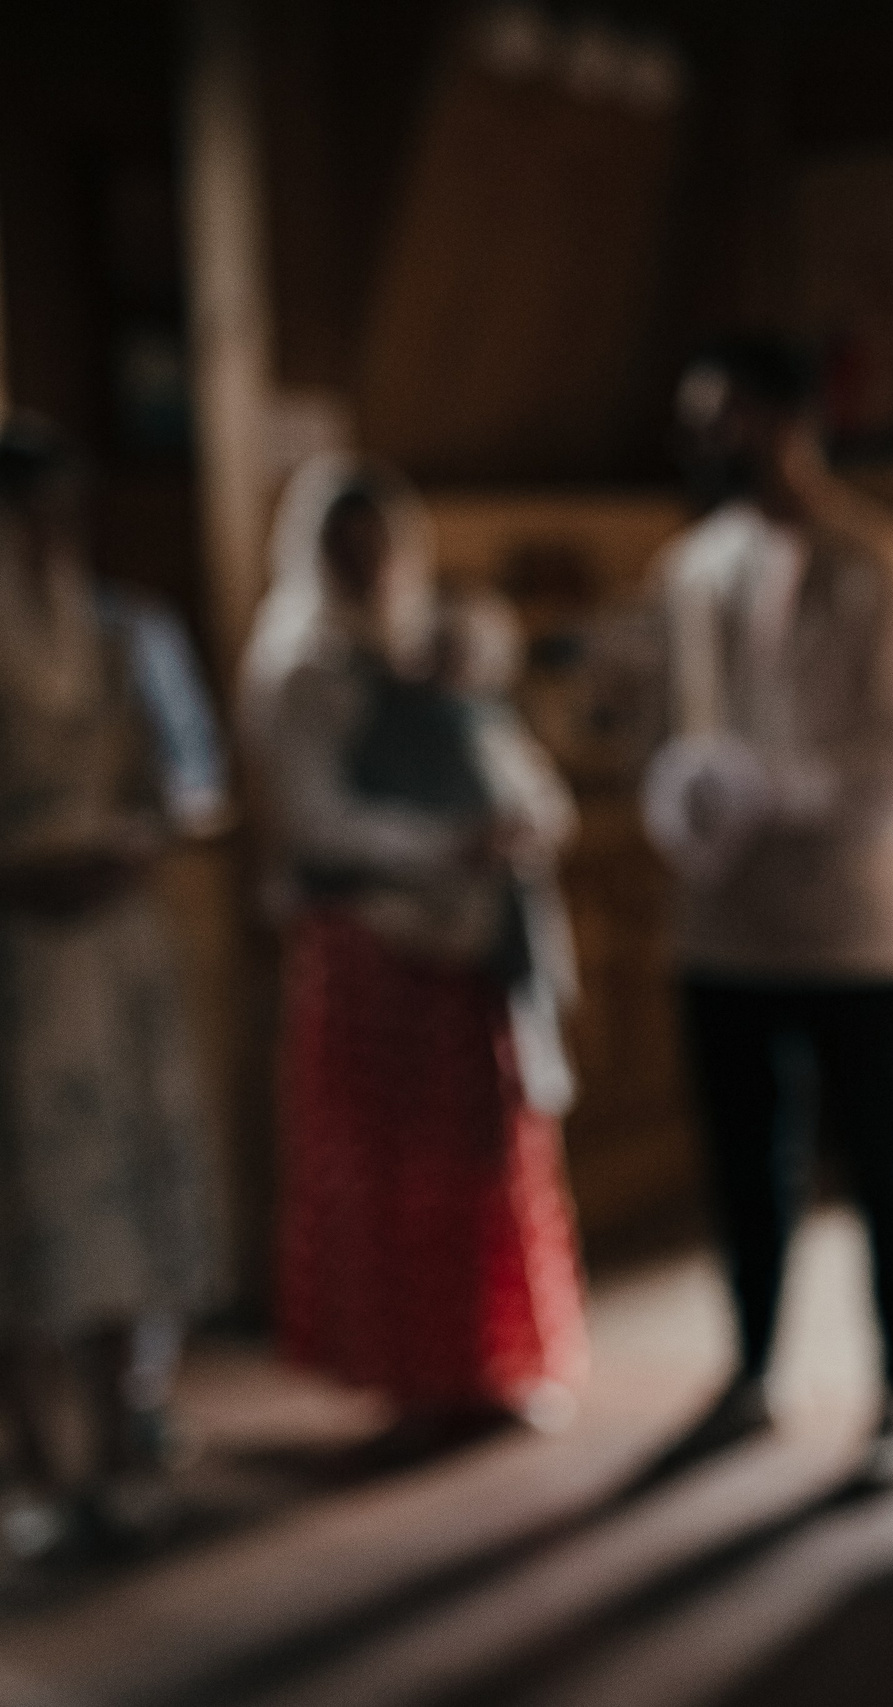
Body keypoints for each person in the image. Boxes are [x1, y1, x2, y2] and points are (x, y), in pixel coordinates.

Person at [644, 339, 893, 1466]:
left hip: (856, 920)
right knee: (742, 1159)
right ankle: (753, 1364)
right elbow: (669, 720)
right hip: (724, 916)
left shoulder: (889, 565)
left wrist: (777, 789)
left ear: (785, 418)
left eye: (719, 414)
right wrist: (679, 791)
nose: (702, 441)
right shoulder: (689, 569)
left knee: (880, 1164)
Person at [244, 457, 587, 1442]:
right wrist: (442, 845)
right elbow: (311, 819)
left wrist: (517, 827)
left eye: (380, 546)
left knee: (484, 1162)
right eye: (346, 548)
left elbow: (516, 767)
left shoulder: (430, 648)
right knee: (392, 1172)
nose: (367, 566)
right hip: (374, 947)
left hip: (471, 946)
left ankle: (491, 1358)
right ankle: (407, 1371)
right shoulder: (298, 664)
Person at [0, 417, 227, 1554]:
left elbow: (190, 774)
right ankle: (37, 1457)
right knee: (32, 1196)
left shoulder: (123, 630)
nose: (47, 539)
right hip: (19, 951)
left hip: (112, 938)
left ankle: (125, 1417)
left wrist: (140, 840)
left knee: (123, 1182)